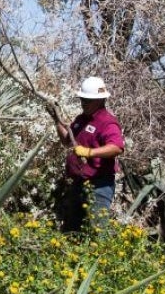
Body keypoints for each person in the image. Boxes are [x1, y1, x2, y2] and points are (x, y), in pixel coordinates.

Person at [51, 75, 125, 230]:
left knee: (97, 229)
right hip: (79, 183)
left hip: (99, 185)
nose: (83, 103)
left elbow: (116, 147)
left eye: (87, 100)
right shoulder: (81, 119)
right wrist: (57, 121)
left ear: (100, 100)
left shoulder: (107, 122)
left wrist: (89, 152)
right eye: (82, 99)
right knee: (73, 229)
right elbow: (67, 141)